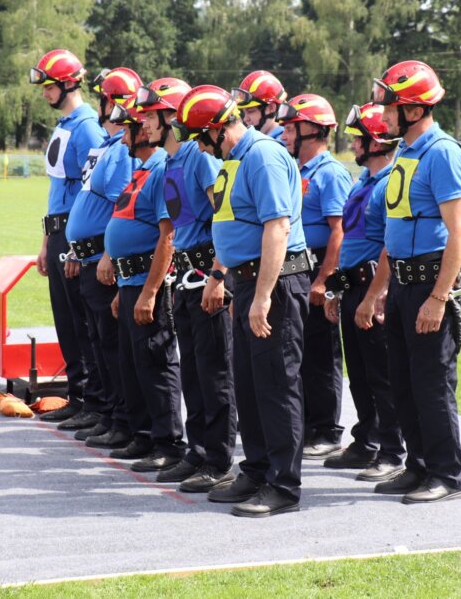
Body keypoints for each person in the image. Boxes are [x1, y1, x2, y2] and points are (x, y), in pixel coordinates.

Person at [172, 85, 310, 518]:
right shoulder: (234, 161)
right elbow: (232, 226)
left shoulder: (263, 156)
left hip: (277, 282)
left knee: (275, 383)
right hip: (247, 281)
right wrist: (220, 276)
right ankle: (257, 469)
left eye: (199, 135)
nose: (196, 144)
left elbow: (277, 229)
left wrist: (263, 296)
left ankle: (283, 485)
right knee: (248, 384)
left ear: (217, 129)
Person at [369, 60, 461, 504]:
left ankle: (446, 474)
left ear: (413, 109)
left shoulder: (442, 152)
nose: (383, 113)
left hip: (428, 285)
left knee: (431, 384)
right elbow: (396, 228)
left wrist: (438, 297)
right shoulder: (406, 154)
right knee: (403, 382)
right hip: (402, 287)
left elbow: (459, 231)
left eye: (390, 105)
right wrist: (380, 290)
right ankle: (418, 465)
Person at [137, 77, 238, 492]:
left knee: (214, 372)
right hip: (184, 277)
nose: (142, 124)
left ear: (171, 116)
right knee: (194, 371)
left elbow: (225, 216)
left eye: (150, 115)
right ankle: (197, 451)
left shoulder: (200, 159)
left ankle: (219, 459)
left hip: (206, 277)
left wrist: (218, 275)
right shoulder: (170, 163)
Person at [321, 103, 405, 482]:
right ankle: (366, 440)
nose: (353, 143)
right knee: (358, 374)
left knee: (381, 375)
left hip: (372, 289)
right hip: (353, 287)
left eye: (360, 138)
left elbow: (389, 244)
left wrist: (376, 295)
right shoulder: (362, 182)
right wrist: (334, 292)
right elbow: (350, 245)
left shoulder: (389, 182)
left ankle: (391, 450)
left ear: (377, 141)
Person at [101, 96, 186, 472]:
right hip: (130, 280)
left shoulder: (163, 172)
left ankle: (167, 441)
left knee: (156, 362)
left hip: (149, 282)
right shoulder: (141, 172)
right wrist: (123, 287)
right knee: (134, 364)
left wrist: (151, 291)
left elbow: (166, 237)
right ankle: (144, 435)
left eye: (129, 129)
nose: (122, 138)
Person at [63, 67, 141, 444]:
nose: (102, 106)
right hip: (90, 256)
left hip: (103, 261)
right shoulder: (107, 147)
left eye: (105, 98)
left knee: (111, 344)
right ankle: (108, 413)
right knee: (97, 340)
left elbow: (118, 208)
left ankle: (120, 418)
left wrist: (106, 253)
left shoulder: (122, 152)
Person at [274, 93, 352, 460]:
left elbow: (339, 230)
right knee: (299, 352)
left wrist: (324, 279)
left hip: (320, 265)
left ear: (314, 130)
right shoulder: (295, 169)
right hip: (300, 265)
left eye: (292, 127)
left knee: (321, 354)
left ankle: (327, 428)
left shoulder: (330, 173)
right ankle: (304, 423)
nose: (286, 133)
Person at [29, 49, 103, 422]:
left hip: (76, 238)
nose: (44, 93)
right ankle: (77, 397)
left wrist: (75, 246)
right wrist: (46, 241)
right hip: (59, 233)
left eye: (49, 86)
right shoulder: (66, 124)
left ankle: (92, 401)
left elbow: (91, 192)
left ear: (68, 84)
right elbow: (57, 188)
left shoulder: (88, 126)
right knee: (66, 320)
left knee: (82, 320)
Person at [231, 70, 286, 141]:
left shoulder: (285, 145)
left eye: (250, 111)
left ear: (271, 108)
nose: (245, 119)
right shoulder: (263, 141)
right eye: (244, 112)